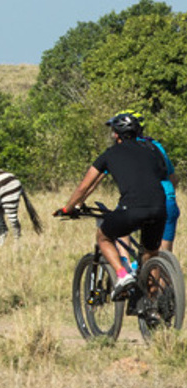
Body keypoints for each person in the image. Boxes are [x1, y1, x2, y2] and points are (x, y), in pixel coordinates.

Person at [56, 111, 168, 298]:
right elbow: (162, 174)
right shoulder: (152, 149)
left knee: (103, 237)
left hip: (131, 208)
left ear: (116, 134)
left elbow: (85, 186)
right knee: (150, 254)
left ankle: (122, 275)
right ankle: (153, 306)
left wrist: (69, 207)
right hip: (159, 208)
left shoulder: (110, 154)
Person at [128, 109, 179, 253]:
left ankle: (126, 270)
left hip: (142, 202)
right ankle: (164, 273)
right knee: (163, 254)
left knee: (119, 229)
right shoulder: (156, 146)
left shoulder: (125, 149)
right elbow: (173, 178)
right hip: (168, 201)